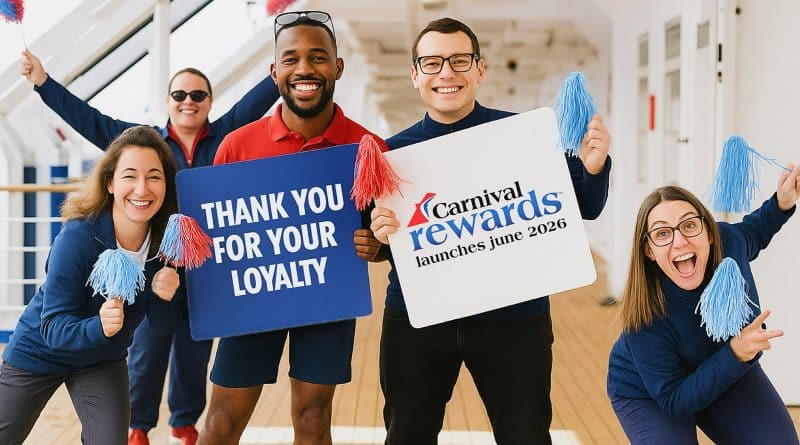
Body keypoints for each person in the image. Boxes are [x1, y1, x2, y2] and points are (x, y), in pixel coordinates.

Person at [368, 17, 612, 445]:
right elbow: (376, 243)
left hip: (513, 319)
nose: (446, 72)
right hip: (419, 318)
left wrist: (592, 168)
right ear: (414, 75)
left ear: (480, 69)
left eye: (460, 60)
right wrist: (380, 234)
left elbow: (586, 208)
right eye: (432, 62)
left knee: (525, 436)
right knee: (407, 435)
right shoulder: (392, 154)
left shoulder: (526, 138)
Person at [20, 50, 281, 445]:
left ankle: (184, 424)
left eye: (197, 95)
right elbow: (92, 121)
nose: (188, 102)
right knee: (146, 351)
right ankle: (138, 427)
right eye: (179, 95)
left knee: (194, 356)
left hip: (203, 271)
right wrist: (43, 82)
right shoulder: (147, 143)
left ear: (209, 102)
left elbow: (255, 103)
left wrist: (280, 76)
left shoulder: (226, 135)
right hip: (153, 264)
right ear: (168, 102)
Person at [197, 10, 380, 445]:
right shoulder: (237, 145)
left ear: (337, 67)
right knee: (222, 420)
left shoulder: (367, 147)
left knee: (314, 417)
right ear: (274, 70)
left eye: (318, 58)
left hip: (327, 297)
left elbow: (383, 228)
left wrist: (376, 243)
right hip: (253, 296)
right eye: (292, 59)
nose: (305, 69)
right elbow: (211, 233)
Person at [0, 126, 181, 445]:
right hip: (40, 350)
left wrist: (164, 296)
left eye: (154, 176)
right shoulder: (78, 238)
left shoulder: (164, 244)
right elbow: (53, 327)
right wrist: (100, 328)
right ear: (110, 182)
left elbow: (164, 325)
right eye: (129, 176)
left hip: (102, 359)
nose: (142, 189)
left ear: (166, 184)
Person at [606, 175, 800, 444]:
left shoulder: (728, 242)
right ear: (649, 250)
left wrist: (782, 201)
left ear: (709, 233)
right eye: (663, 233)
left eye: (689, 225)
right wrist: (735, 353)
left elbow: (756, 230)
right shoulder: (644, 318)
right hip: (653, 393)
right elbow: (675, 401)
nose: (680, 241)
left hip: (727, 370)